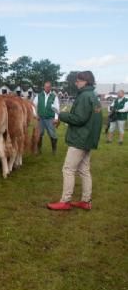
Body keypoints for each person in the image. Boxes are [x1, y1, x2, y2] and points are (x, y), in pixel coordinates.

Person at [47, 71, 102, 211]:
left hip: (80, 139)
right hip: (88, 138)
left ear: (86, 81)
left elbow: (79, 119)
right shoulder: (93, 96)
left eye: (78, 80)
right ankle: (86, 201)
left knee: (68, 169)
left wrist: (62, 115)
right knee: (84, 170)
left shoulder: (84, 96)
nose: (76, 82)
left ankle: (65, 201)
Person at [33, 81, 60, 154]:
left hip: (50, 118)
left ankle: (54, 150)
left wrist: (56, 118)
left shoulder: (54, 96)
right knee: (40, 134)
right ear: (44, 87)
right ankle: (39, 150)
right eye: (45, 87)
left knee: (52, 134)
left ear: (50, 87)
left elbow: (57, 108)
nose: (47, 88)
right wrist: (36, 114)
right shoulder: (39, 95)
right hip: (40, 118)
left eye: (48, 87)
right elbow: (34, 105)